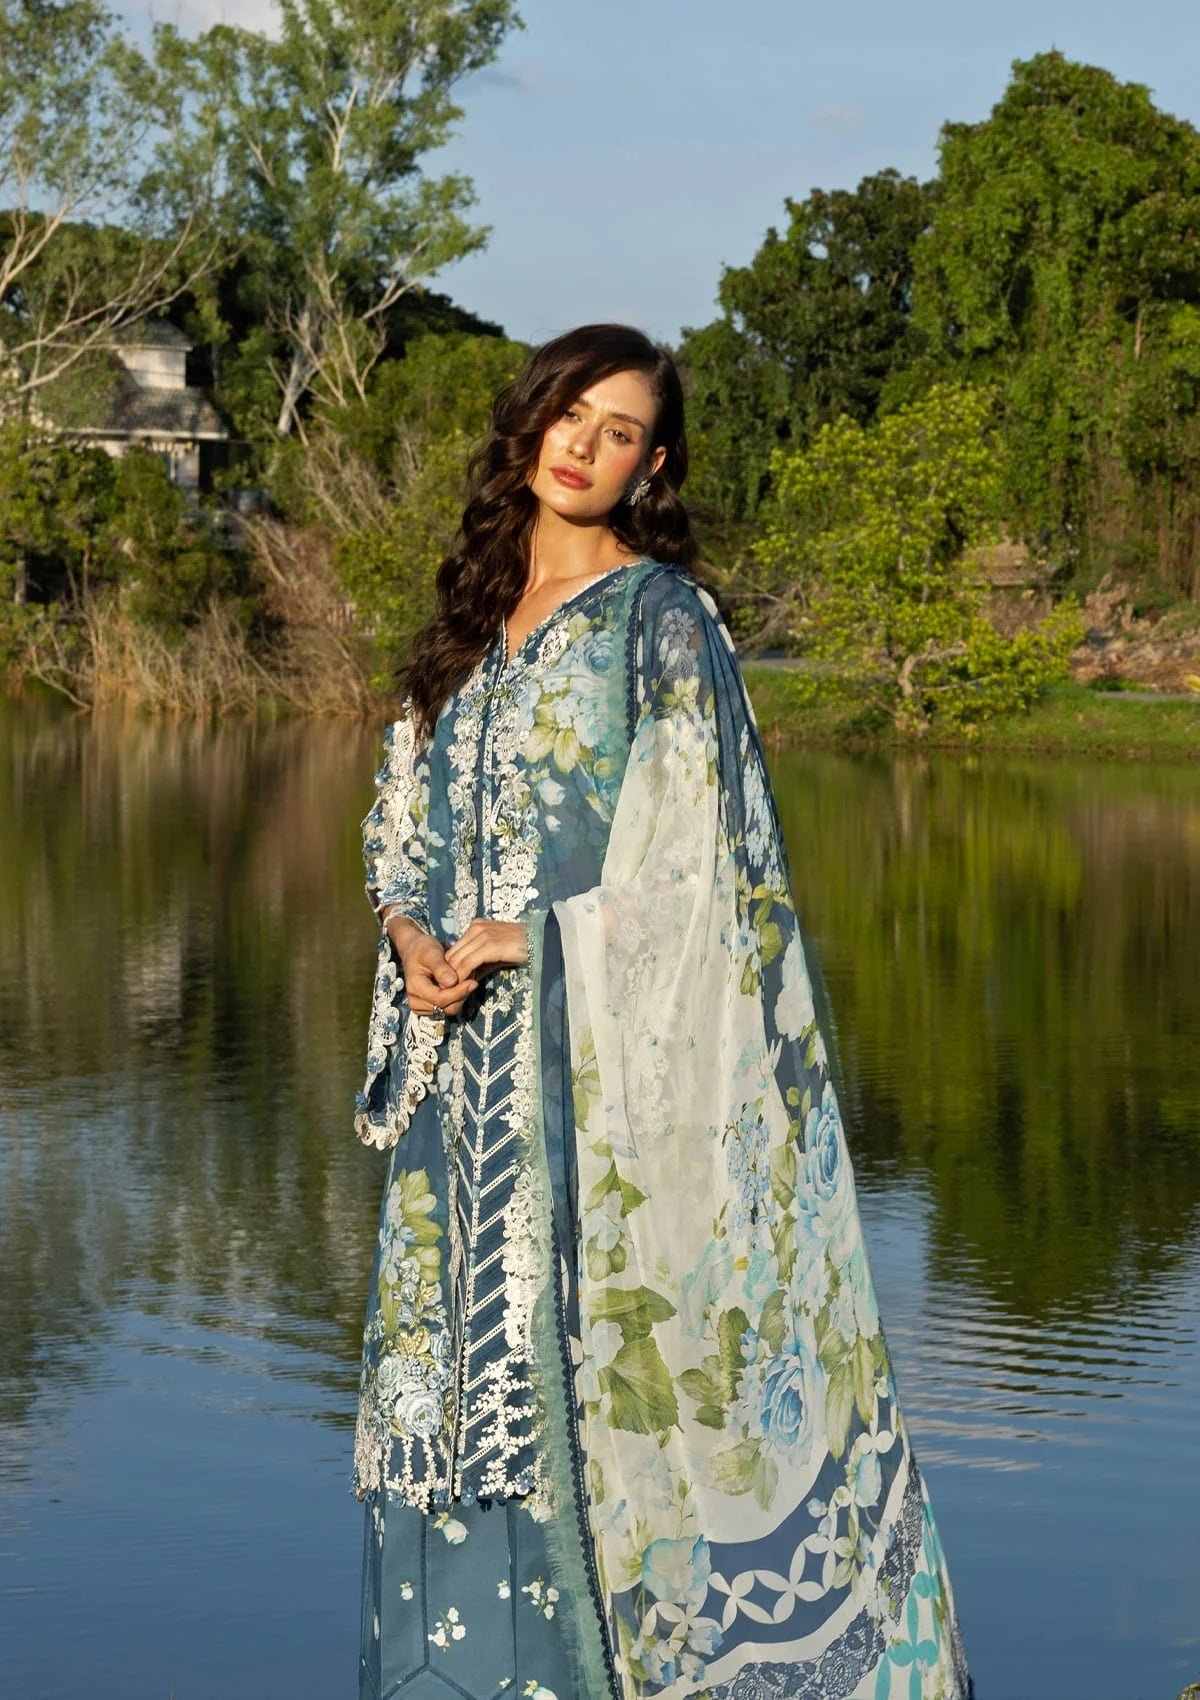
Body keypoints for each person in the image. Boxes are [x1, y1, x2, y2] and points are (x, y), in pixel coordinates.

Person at [352, 323, 971, 1700]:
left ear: (654, 464)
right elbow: (401, 835)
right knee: (439, 1415)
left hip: (595, 1103)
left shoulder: (661, 623)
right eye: (569, 412)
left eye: (619, 429)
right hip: (454, 1105)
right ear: (528, 423)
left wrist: (540, 937)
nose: (583, 444)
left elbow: (708, 874)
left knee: (581, 1405)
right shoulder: (464, 628)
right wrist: (408, 938)